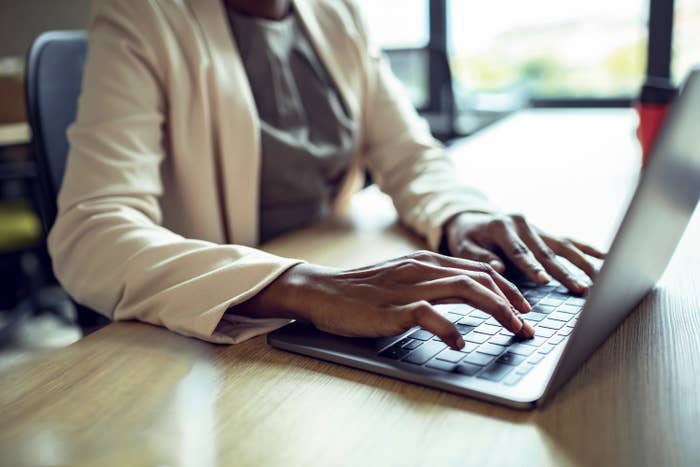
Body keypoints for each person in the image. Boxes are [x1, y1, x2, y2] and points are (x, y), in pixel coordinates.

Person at [49, 0, 604, 351]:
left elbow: (409, 155)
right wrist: (304, 287)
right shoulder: (143, 15)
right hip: (224, 329)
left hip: (338, 278)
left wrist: (462, 214)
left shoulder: (337, 13)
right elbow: (92, 231)